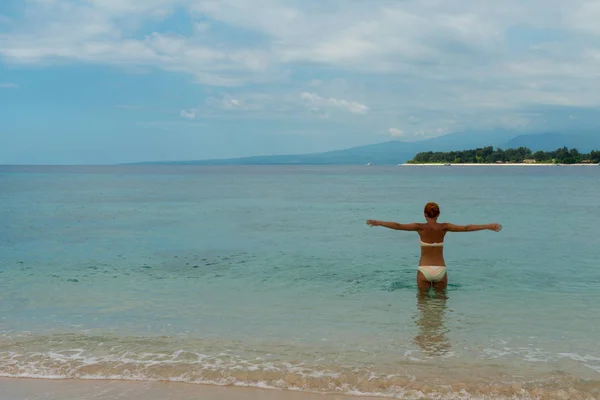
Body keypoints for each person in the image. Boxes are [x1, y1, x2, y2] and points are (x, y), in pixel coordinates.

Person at [366, 202, 501, 291]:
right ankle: (439, 334)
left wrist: (377, 222)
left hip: (424, 270)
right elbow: (466, 228)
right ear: (438, 214)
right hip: (440, 270)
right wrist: (488, 226)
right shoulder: (444, 227)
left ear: (425, 214)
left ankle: (425, 334)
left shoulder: (419, 227)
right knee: (440, 308)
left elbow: (398, 226)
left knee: (423, 308)